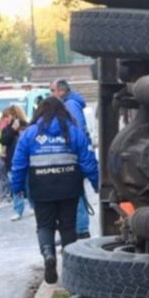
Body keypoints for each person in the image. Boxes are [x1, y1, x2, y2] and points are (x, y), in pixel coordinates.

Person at [12, 96, 98, 284]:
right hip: (69, 186)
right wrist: (97, 183)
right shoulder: (73, 131)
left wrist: (17, 187)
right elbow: (87, 161)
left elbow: (18, 164)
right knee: (68, 226)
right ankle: (69, 266)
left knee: (44, 225)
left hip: (41, 188)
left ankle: (48, 254)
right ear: (63, 111)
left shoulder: (29, 133)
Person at [50, 79, 92, 239]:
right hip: (76, 155)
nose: (51, 94)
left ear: (60, 91)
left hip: (75, 156)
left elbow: (77, 130)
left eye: (52, 90)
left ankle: (81, 231)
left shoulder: (70, 105)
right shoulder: (71, 103)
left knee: (77, 194)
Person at [0, 104, 29, 221]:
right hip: (12, 162)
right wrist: (12, 129)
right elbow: (3, 140)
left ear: (14, 116)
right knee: (15, 187)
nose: (5, 119)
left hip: (26, 162)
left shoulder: (26, 127)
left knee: (29, 186)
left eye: (7, 116)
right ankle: (18, 210)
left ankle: (33, 206)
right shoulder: (8, 129)